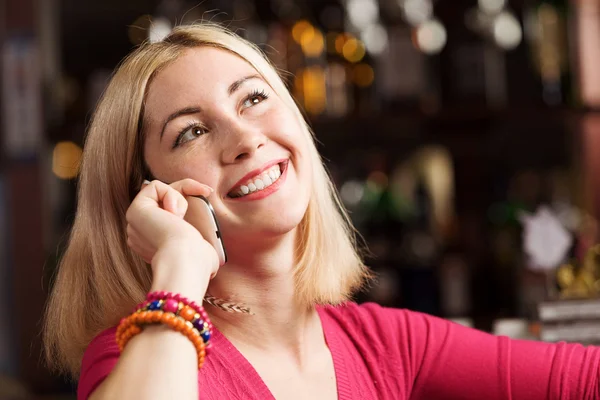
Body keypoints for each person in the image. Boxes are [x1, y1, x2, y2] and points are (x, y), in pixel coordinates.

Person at [43, 23, 600, 400]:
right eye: (191, 131)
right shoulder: (136, 358)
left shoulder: (381, 344)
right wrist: (181, 266)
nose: (244, 139)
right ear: (150, 197)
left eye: (254, 99)